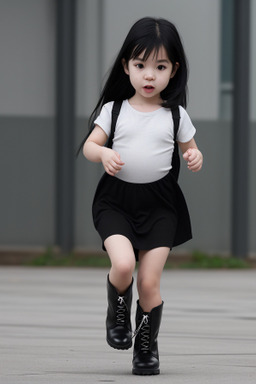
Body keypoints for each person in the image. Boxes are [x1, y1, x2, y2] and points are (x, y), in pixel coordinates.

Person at [79, 17, 203, 375]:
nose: (149, 75)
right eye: (140, 65)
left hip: (161, 205)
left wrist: (194, 156)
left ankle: (146, 347)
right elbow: (90, 146)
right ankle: (117, 313)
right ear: (126, 66)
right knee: (122, 265)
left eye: (160, 67)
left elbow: (191, 149)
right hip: (116, 201)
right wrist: (102, 154)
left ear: (173, 70)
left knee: (149, 282)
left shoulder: (176, 115)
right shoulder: (114, 110)